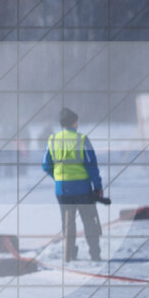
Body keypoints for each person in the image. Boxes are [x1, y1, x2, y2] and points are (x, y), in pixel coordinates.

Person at [42, 107, 103, 262]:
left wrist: (58, 178)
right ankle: (94, 253)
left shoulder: (53, 140)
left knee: (68, 224)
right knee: (89, 222)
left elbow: (45, 165)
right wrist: (98, 186)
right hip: (83, 189)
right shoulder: (82, 139)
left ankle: (69, 254)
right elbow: (92, 165)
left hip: (62, 190)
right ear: (75, 123)